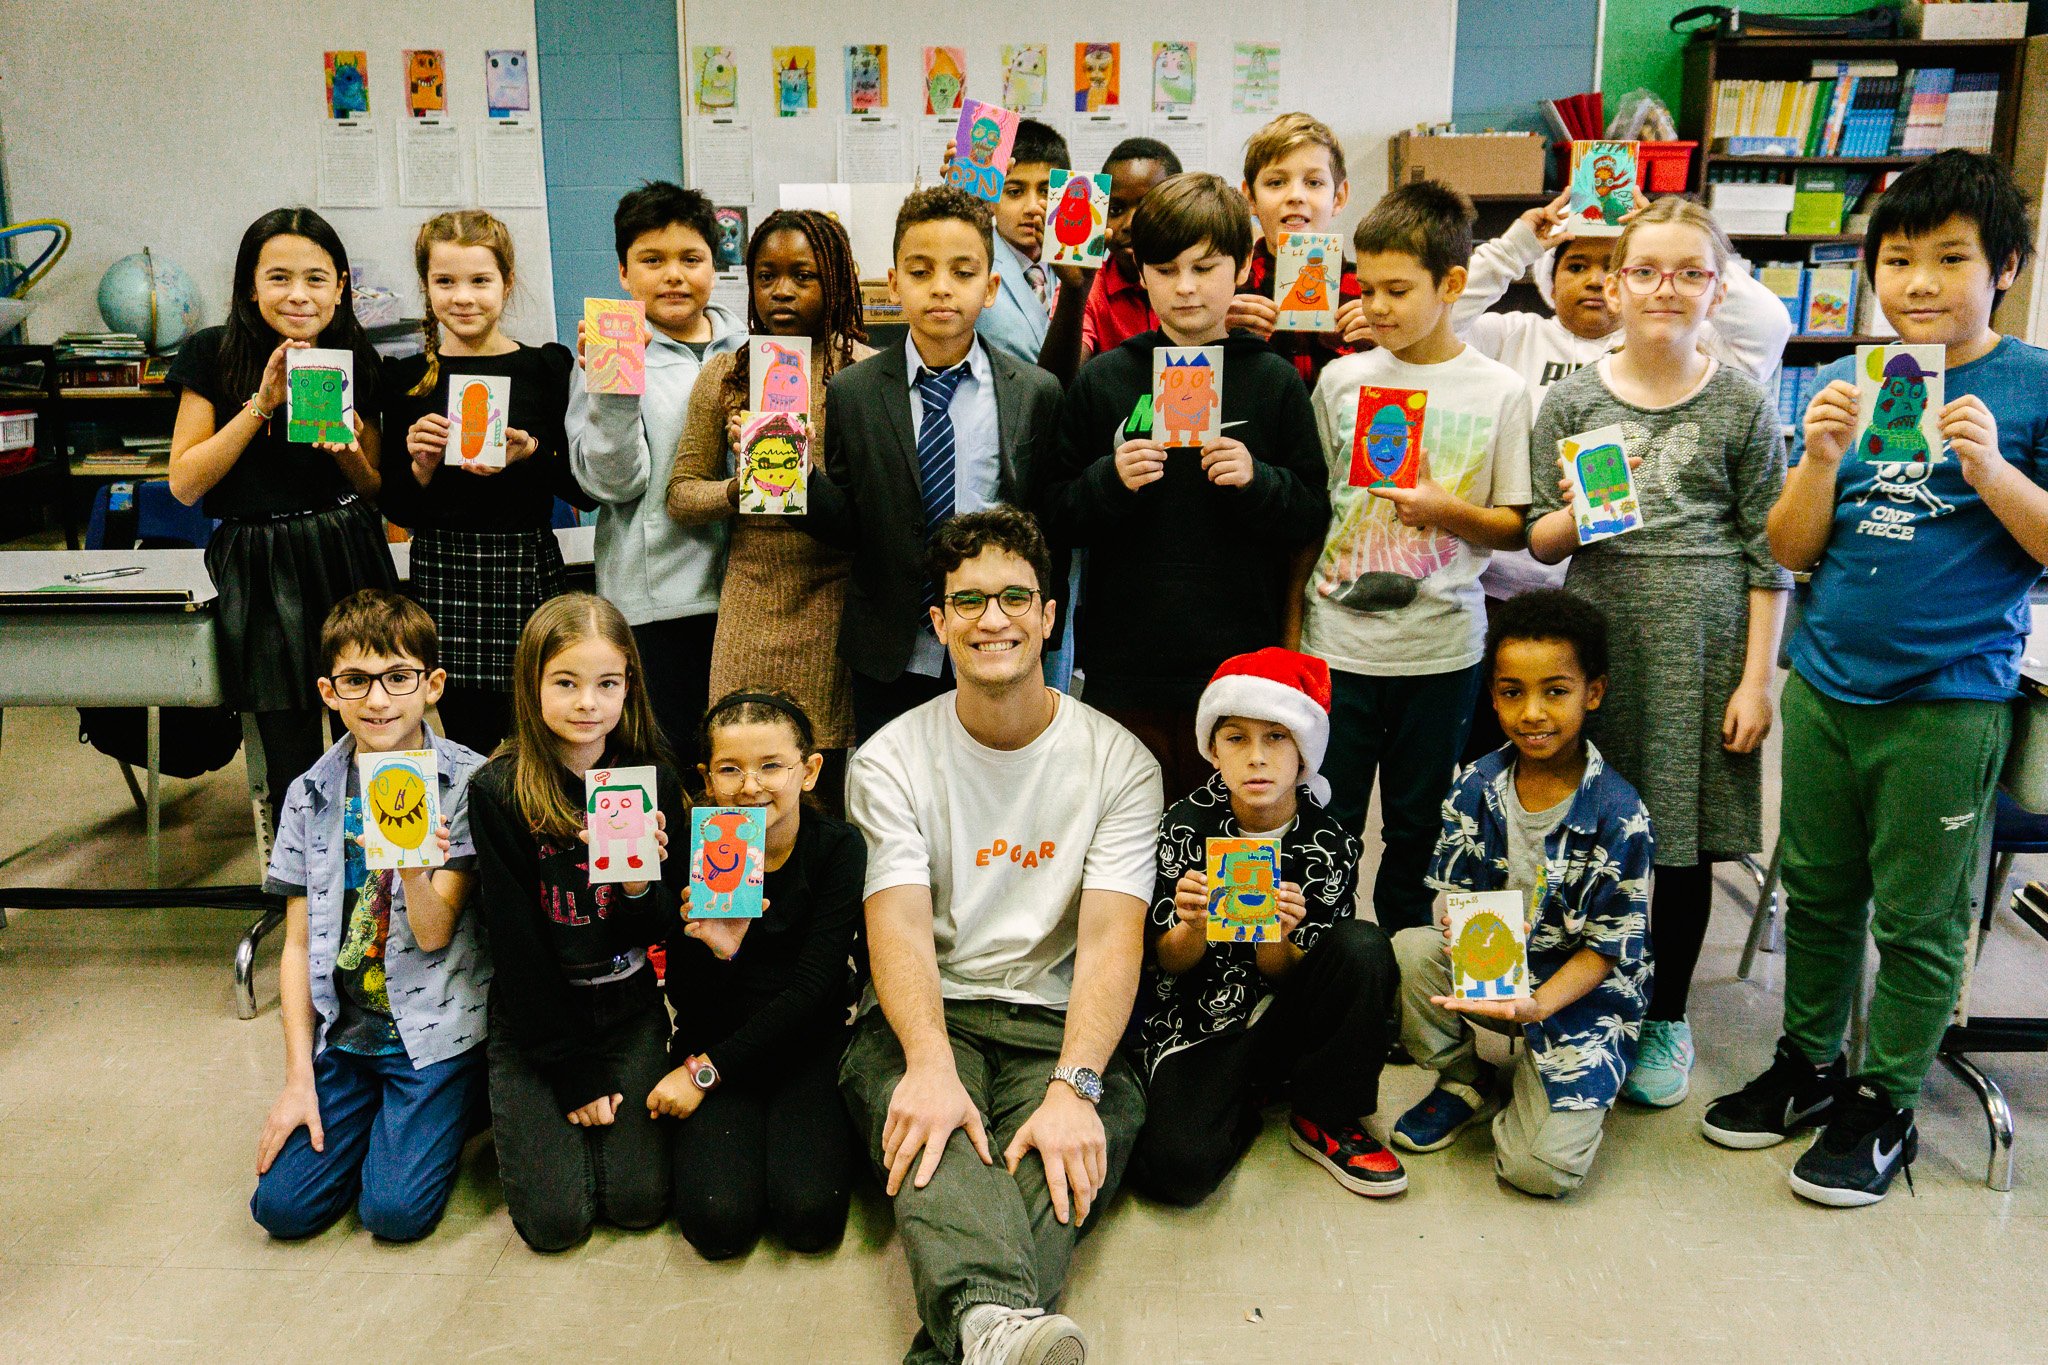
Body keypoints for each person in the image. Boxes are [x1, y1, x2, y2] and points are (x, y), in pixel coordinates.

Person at [1705, 149, 2048, 1207]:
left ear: (2003, 267)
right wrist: (1813, 459)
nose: (1919, 284)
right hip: (1824, 686)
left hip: (1946, 700)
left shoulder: (2030, 383)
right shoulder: (1857, 378)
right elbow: (1791, 547)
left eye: (1950, 258)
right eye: (1896, 260)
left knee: (1917, 918)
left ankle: (1884, 1098)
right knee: (1813, 892)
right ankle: (1808, 1066)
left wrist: (1990, 470)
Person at [838, 507, 1161, 1365]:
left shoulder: (1120, 762)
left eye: (1016, 597)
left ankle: (974, 1331)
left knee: (1073, 1140)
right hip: (923, 1015)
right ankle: (999, 1328)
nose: (993, 619)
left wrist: (1076, 1084)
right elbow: (898, 923)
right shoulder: (888, 760)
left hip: (1059, 1024)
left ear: (1049, 615)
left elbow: (1109, 939)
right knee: (931, 1123)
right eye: (969, 600)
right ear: (937, 621)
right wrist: (931, 1065)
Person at [1526, 197, 1793, 1108]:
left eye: (1689, 273)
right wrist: (1576, 506)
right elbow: (1544, 543)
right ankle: (1583, 992)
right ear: (1615, 282)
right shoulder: (1570, 398)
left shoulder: (1743, 404)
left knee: (1679, 844)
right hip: (1602, 633)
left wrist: (1759, 679)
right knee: (1594, 825)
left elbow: (1770, 556)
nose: (1665, 290)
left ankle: (1666, 1013)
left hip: (1707, 643)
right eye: (1645, 271)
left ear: (1717, 288)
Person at [1290, 181, 1532, 940]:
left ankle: (1400, 966)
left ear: (1452, 285)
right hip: (1338, 647)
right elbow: (1312, 512)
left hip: (1441, 652)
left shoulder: (1499, 392)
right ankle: (1328, 971)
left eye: (1399, 289)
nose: (1378, 307)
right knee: (1324, 824)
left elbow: (1514, 526)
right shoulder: (1341, 380)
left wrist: (1444, 511)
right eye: (1368, 288)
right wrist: (1292, 627)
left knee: (1417, 830)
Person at [1041, 171, 1328, 795]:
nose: (1187, 287)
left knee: (1225, 853)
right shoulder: (1106, 379)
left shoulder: (1274, 381)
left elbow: (1311, 513)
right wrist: (1108, 481)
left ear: (1246, 266)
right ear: (1140, 274)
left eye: (1205, 267)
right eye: (1166, 269)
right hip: (1125, 666)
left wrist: (1258, 482)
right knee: (1130, 842)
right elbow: (1056, 514)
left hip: (1237, 668)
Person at [1390, 589, 1654, 1197]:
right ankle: (1467, 1080)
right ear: (1493, 697)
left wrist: (1537, 1008)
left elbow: (1608, 951)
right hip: (1502, 962)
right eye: (1512, 692)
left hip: (1584, 991)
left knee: (1539, 1172)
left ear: (1594, 692)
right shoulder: (1475, 788)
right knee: (1409, 947)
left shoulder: (1622, 815)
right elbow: (1457, 900)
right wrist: (1473, 947)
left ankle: (1562, 1084)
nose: (1532, 712)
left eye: (1554, 691)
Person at [250, 591, 487, 1241]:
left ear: (432, 685)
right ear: (330, 691)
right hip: (349, 1041)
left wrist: (414, 865)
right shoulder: (310, 791)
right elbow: (297, 946)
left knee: (394, 1211)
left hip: (430, 1034)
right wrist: (299, 1076)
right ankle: (381, 1114)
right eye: (356, 680)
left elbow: (436, 933)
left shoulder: (467, 783)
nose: (378, 700)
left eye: (397, 677)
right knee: (282, 1208)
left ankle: (461, 1098)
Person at [1127, 647, 1402, 1206]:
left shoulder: (1330, 840)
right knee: (1174, 1173)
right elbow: (1167, 964)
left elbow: (1299, 980)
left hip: (1289, 1013)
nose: (1256, 758)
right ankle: (1248, 1097)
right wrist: (1194, 925)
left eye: (1276, 737)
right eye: (1236, 738)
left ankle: (1325, 1112)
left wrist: (1275, 934)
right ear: (1213, 750)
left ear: (1304, 752)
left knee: (1365, 948)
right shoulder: (1183, 825)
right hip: (1200, 1016)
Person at [801, 186, 1063, 741]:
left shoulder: (1034, 393)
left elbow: (1046, 518)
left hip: (997, 639)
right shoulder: (854, 391)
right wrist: (790, 474)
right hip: (892, 648)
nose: (941, 288)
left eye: (963, 273)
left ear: (990, 288)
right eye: (920, 272)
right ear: (894, 283)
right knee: (895, 804)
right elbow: (848, 523)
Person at [469, 592, 684, 1251]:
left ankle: (578, 1138)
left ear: (629, 687)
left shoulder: (650, 776)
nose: (587, 702)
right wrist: (571, 1074)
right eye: (566, 682)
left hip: (627, 1013)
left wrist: (640, 879)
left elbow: (657, 930)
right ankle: (521, 1116)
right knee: (557, 1224)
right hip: (538, 1025)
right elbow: (516, 948)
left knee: (640, 1204)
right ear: (532, 683)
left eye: (606, 683)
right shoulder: (499, 788)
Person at [167, 208, 394, 828]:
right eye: (280, 278)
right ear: (250, 285)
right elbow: (185, 483)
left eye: (317, 278)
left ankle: (391, 889)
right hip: (260, 562)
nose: (299, 295)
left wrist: (347, 449)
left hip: (347, 545)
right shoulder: (212, 353)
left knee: (380, 723)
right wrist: (261, 405)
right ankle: (305, 890)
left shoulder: (356, 355)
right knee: (289, 742)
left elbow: (374, 489)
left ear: (341, 286)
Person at [668, 209, 873, 809]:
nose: (781, 290)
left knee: (817, 788)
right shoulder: (727, 373)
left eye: (802, 275)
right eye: (766, 275)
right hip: (749, 604)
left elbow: (873, 506)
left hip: (832, 606)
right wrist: (742, 485)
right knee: (739, 781)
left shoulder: (865, 375)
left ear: (835, 280)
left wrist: (806, 471)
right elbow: (681, 495)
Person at [652, 688, 865, 1260]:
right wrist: (722, 953)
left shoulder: (838, 850)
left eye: (772, 766)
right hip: (714, 1038)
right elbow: (684, 998)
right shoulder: (694, 849)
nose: (750, 785)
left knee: (810, 1220)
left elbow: (812, 992)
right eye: (730, 769)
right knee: (719, 1225)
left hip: (804, 1049)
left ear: (810, 770)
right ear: (706, 776)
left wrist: (702, 1075)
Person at [382, 210, 583, 755]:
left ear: (507, 283)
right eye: (445, 281)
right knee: (465, 736)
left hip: (525, 563)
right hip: (443, 569)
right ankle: (476, 834)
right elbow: (396, 503)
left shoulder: (547, 369)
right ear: (426, 287)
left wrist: (531, 452)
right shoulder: (405, 379)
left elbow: (583, 490)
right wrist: (419, 466)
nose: (463, 297)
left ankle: (534, 836)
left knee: (538, 732)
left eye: (480, 280)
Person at [568, 182, 745, 767]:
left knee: (736, 767)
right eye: (652, 260)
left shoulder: (749, 348)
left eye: (691, 259)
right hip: (654, 607)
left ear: (714, 269)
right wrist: (615, 387)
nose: (674, 275)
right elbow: (609, 486)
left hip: (745, 600)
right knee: (664, 768)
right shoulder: (603, 351)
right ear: (623, 272)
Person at [1229, 112, 1363, 391]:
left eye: (1314, 183)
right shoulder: (1230, 288)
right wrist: (1217, 331)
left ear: (1338, 198)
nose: (1295, 196)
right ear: (1250, 198)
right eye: (1276, 182)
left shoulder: (1368, 291)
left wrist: (1389, 342)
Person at [1037, 137, 1183, 387]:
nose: (1129, 224)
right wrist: (1075, 292)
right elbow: (1057, 384)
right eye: (1115, 210)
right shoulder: (1090, 290)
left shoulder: (1200, 280)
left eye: (1149, 207)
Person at [975, 119, 1072, 367]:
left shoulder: (1080, 262)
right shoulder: (973, 261)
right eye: (1015, 192)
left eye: (1046, 191)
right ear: (990, 198)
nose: (1033, 208)